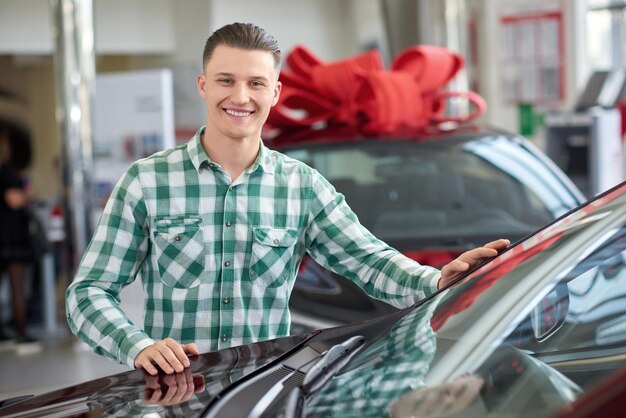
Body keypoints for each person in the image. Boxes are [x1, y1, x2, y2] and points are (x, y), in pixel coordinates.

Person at [66, 22, 509, 376]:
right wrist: (138, 345)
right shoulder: (147, 181)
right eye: (226, 80)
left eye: (256, 83)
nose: (241, 97)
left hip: (266, 392)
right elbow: (87, 293)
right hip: (175, 397)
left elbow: (368, 260)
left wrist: (434, 281)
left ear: (275, 93)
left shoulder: (302, 187)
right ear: (203, 85)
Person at [0, 125, 39, 348]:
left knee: (14, 285)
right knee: (16, 285)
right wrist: (28, 194)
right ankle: (21, 332)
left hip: (10, 235)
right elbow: (14, 200)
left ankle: (13, 331)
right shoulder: (7, 170)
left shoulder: (11, 170)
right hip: (11, 237)